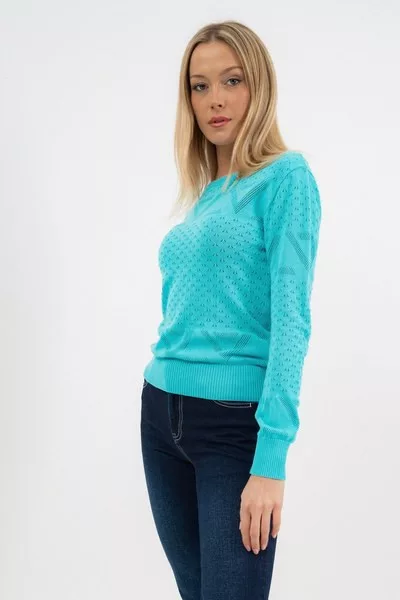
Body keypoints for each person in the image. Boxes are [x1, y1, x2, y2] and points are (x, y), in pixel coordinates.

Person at [140, 19, 322, 600]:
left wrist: (271, 460)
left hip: (232, 427)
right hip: (160, 413)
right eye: (200, 86)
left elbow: (292, 320)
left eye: (232, 80)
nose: (214, 99)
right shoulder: (206, 197)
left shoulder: (286, 179)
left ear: (259, 85)